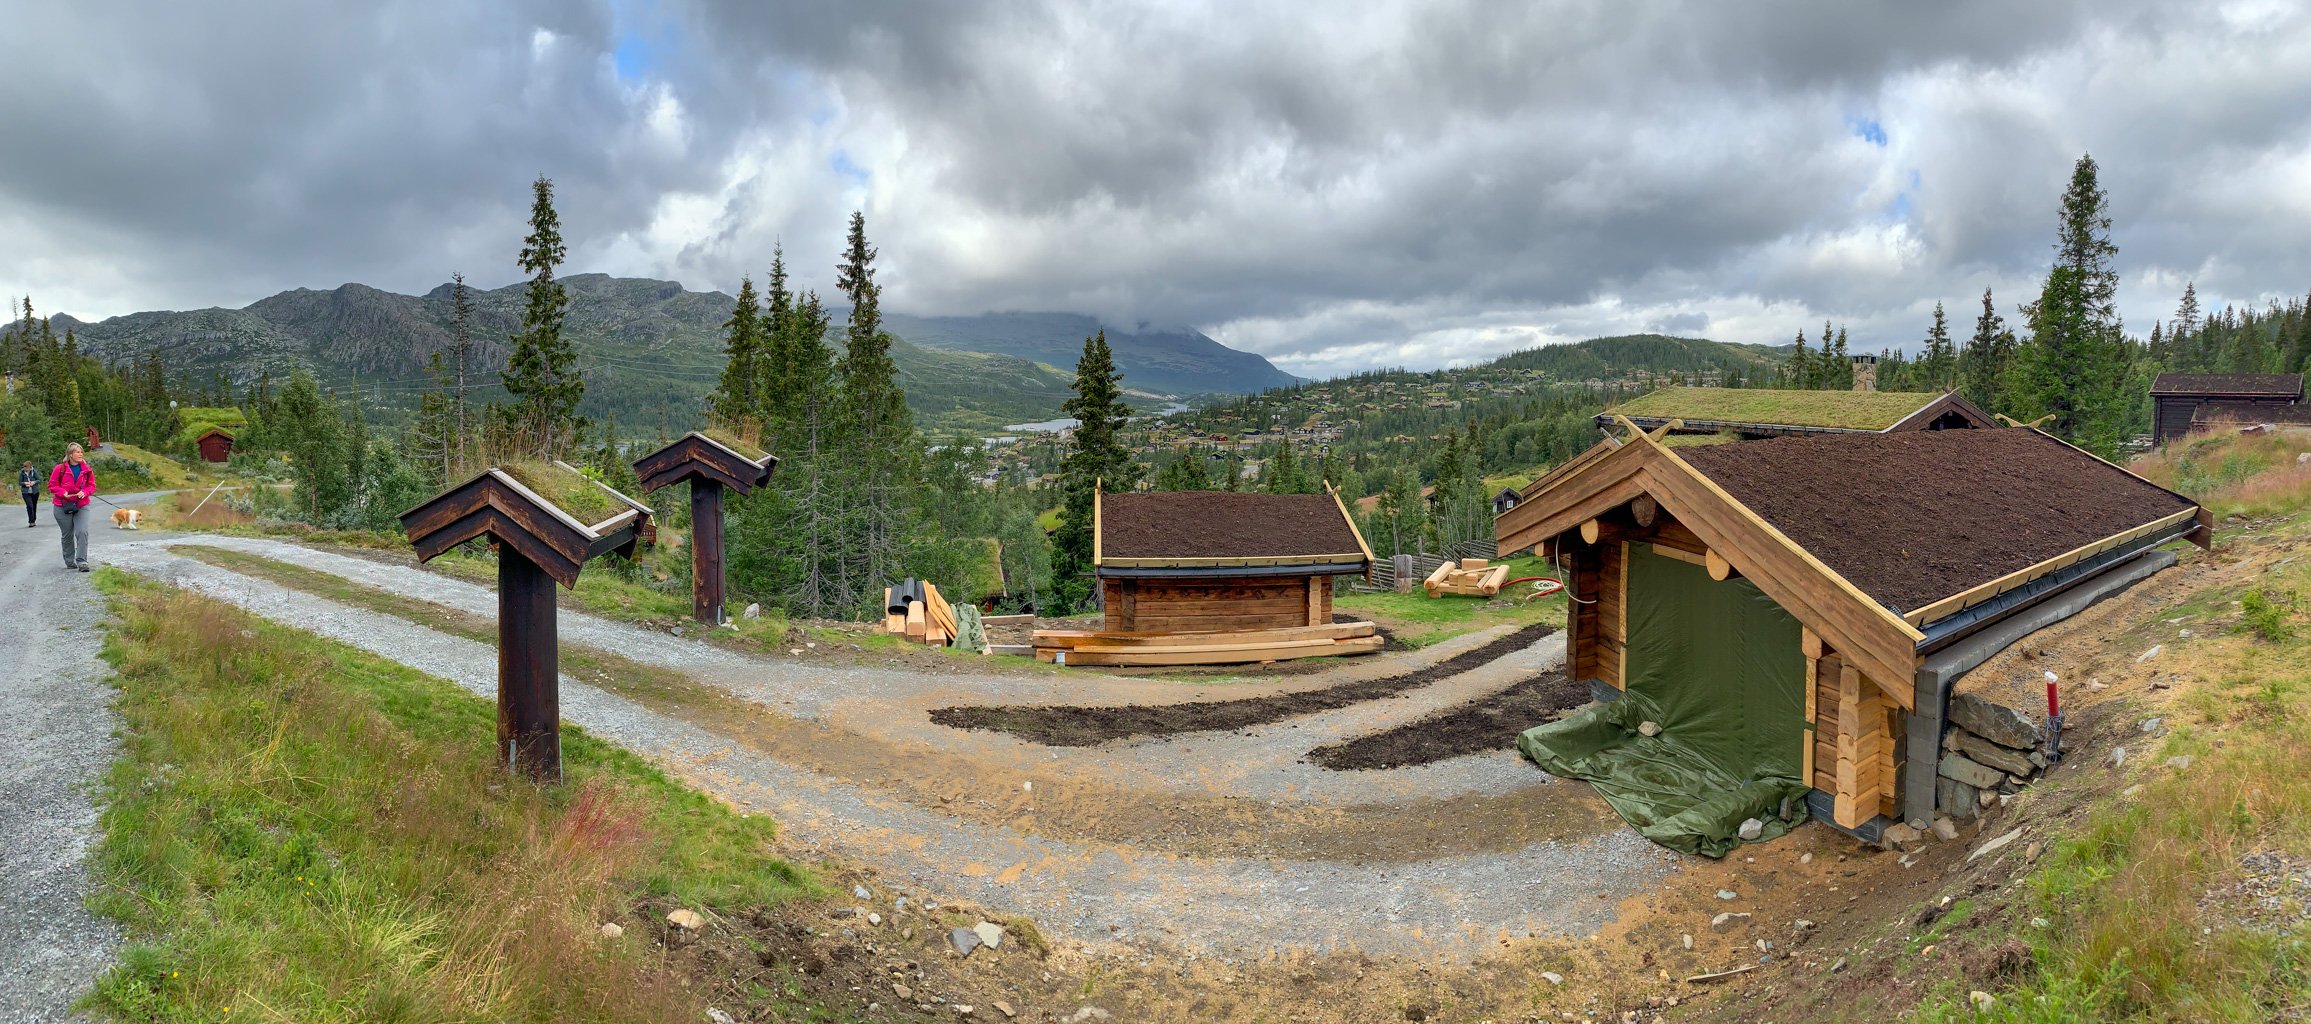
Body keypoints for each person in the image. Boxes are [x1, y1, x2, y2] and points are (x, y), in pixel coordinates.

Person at [49, 443, 96, 572]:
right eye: (77, 452)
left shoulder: (87, 469)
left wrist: (85, 492)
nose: (81, 454)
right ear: (70, 454)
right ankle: (69, 561)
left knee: (82, 531)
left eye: (81, 452)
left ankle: (82, 562)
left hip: (81, 505)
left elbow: (92, 485)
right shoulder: (59, 469)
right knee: (67, 535)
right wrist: (62, 492)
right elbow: (52, 485)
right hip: (62, 506)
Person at [17, 461, 36, 527]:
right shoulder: (22, 473)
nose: (25, 469)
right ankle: (31, 521)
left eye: (27, 468)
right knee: (29, 506)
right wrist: (25, 483)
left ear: (30, 467)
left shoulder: (34, 472)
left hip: (34, 491)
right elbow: (20, 482)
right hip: (25, 492)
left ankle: (33, 520)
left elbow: (39, 479)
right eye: (24, 467)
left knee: (34, 506)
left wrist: (34, 482)